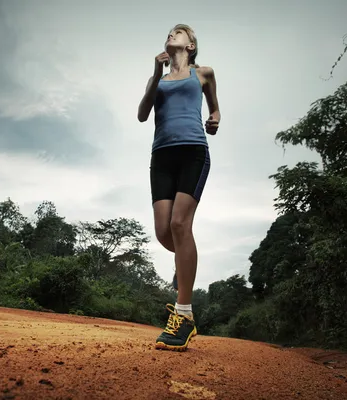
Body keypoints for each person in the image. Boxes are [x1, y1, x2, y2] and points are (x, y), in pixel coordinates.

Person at [137, 24, 220, 351]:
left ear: (191, 45)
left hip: (192, 152)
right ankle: (188, 261)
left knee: (179, 224)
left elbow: (214, 108)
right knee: (163, 231)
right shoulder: (157, 79)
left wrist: (214, 117)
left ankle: (184, 316)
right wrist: (154, 74)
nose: (171, 35)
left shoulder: (203, 73)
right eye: (169, 32)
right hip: (162, 156)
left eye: (179, 32)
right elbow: (143, 114)